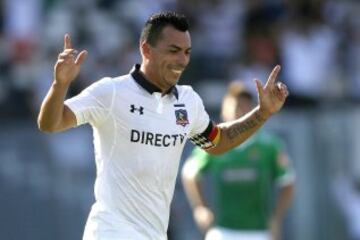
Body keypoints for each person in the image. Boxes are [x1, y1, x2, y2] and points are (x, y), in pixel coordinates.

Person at [37, 11, 289, 240]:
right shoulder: (111, 92)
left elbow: (217, 142)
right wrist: (60, 85)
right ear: (146, 50)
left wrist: (262, 113)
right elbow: (51, 123)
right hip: (110, 231)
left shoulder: (188, 101)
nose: (182, 60)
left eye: (187, 52)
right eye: (173, 50)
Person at [181, 81, 295, 240]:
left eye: (244, 106)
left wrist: (276, 218)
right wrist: (201, 208)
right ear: (223, 110)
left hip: (258, 232)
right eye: (234, 106)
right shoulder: (214, 143)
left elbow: (287, 180)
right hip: (222, 231)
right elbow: (190, 172)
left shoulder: (269, 145)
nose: (239, 110)